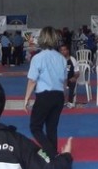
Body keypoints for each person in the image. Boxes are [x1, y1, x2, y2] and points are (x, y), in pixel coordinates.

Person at [24, 26, 67, 158]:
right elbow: (64, 81)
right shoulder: (61, 58)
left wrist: (26, 99)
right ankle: (53, 157)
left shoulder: (38, 58)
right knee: (51, 128)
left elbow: (32, 81)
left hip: (44, 96)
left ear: (41, 39)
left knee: (35, 127)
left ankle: (52, 153)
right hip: (59, 96)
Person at [59, 44, 80, 109]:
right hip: (60, 80)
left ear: (67, 51)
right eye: (61, 50)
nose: (63, 52)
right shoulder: (58, 60)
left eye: (64, 50)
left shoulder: (72, 59)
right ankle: (60, 101)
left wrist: (75, 77)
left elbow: (77, 72)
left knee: (73, 82)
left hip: (69, 79)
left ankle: (70, 101)